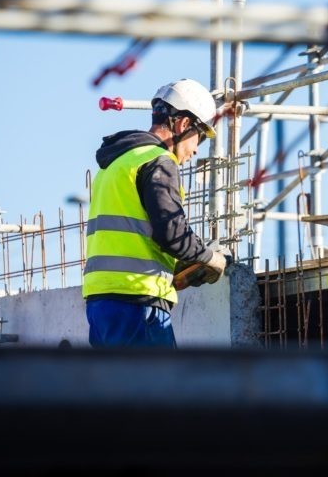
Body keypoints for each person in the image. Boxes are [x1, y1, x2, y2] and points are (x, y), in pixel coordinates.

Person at [82, 78, 228, 348]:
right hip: (138, 302)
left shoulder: (116, 163)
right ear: (184, 125)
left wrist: (174, 268)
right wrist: (211, 258)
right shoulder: (158, 160)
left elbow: (134, 234)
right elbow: (171, 232)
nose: (196, 150)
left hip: (101, 303)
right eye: (199, 138)